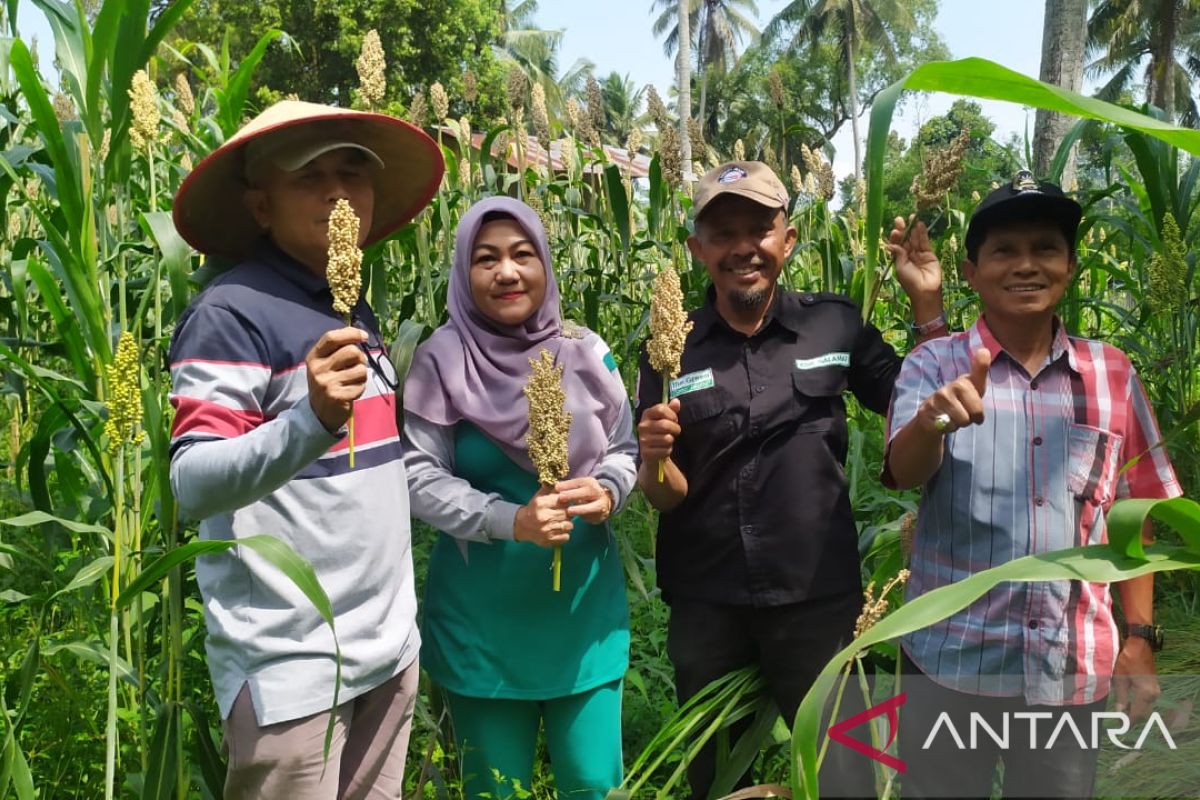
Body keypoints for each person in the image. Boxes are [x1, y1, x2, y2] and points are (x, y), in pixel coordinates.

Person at [634, 160, 946, 798]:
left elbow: (915, 405)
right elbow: (666, 496)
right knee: (716, 777)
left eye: (759, 228)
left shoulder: (835, 323)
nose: (743, 247)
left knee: (843, 774)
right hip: (707, 598)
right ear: (698, 249)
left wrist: (926, 305)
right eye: (722, 234)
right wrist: (653, 459)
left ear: (789, 239)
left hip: (818, 595)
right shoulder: (671, 349)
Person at [168, 100, 443, 799]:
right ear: (261, 207)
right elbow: (193, 483)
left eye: (353, 171)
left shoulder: (349, 306)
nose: (337, 191)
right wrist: (310, 418)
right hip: (293, 670)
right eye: (309, 176)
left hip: (388, 650)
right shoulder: (231, 314)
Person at [884, 171, 1182, 798]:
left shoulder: (1112, 374)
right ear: (971, 271)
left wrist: (1140, 638)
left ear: (1070, 266)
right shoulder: (934, 363)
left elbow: (1136, 517)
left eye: (1045, 248)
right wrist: (935, 420)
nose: (1026, 266)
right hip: (949, 661)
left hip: (1070, 671)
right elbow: (903, 471)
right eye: (1004, 251)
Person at [402, 196, 636, 800]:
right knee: (493, 789)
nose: (507, 272)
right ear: (464, 272)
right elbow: (416, 475)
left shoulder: (587, 350)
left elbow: (625, 448)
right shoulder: (440, 359)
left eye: (522, 255)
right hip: (483, 628)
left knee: (593, 786)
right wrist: (510, 520)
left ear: (544, 264)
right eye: (486, 259)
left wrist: (609, 489)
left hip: (582, 622)